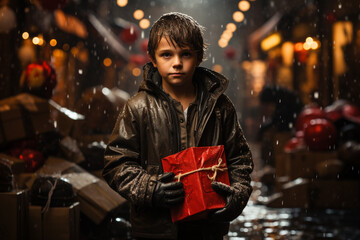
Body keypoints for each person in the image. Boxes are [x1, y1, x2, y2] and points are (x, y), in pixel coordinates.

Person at [102, 12, 253, 240]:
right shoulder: (137, 108)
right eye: (166, 55)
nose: (177, 63)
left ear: (199, 56)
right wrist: (149, 189)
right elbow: (116, 163)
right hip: (155, 230)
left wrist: (238, 195)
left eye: (185, 54)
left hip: (208, 229)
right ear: (152, 58)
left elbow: (239, 159)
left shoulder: (220, 107)